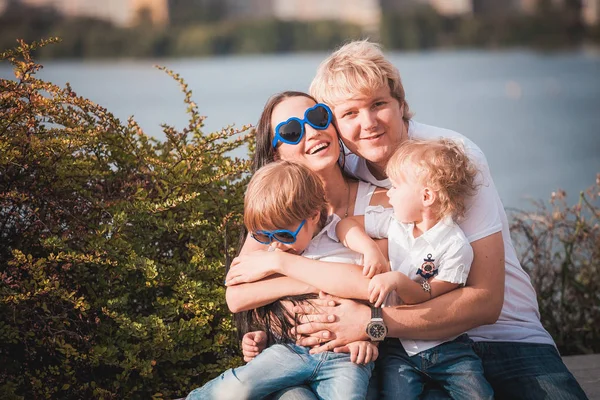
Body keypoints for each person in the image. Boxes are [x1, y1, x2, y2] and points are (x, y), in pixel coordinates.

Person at [271, 40, 586, 399]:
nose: (369, 123)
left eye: (378, 105)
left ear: (401, 104)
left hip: (503, 336)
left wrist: (372, 325)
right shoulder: (344, 170)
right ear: (334, 124)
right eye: (350, 114)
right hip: (407, 348)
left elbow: (486, 300)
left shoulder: (449, 157)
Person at [221, 91, 392, 399]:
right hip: (293, 358)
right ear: (276, 156)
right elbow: (237, 295)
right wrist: (307, 285)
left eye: (318, 117)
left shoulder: (381, 205)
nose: (312, 131)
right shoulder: (277, 215)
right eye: (291, 131)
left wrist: (280, 264)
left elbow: (370, 286)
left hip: (363, 358)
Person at [186, 161, 376, 400]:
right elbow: (240, 299)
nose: (275, 244)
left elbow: (372, 287)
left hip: (343, 354)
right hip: (289, 350)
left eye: (285, 234)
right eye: (263, 235)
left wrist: (369, 340)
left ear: (314, 215)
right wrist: (259, 336)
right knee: (237, 387)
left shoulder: (341, 234)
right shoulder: (267, 254)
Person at [335, 138, 493, 399]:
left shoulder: (456, 246)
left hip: (448, 348)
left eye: (396, 186)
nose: (388, 193)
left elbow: (428, 292)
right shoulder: (394, 223)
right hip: (398, 349)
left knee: (478, 395)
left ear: (427, 196)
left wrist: (396, 279)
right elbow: (345, 225)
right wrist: (369, 248)